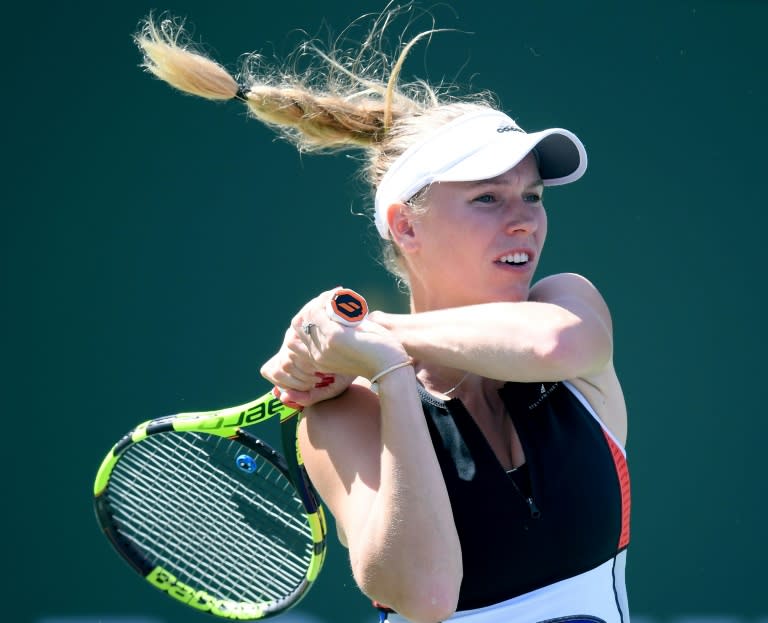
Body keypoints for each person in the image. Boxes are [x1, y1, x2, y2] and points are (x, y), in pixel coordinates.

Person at [135, 8, 630, 623]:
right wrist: (389, 371)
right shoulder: (343, 413)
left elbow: (554, 347)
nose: (524, 218)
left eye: (532, 195)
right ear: (406, 225)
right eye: (487, 197)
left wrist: (369, 335)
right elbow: (424, 597)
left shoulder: (567, 304)